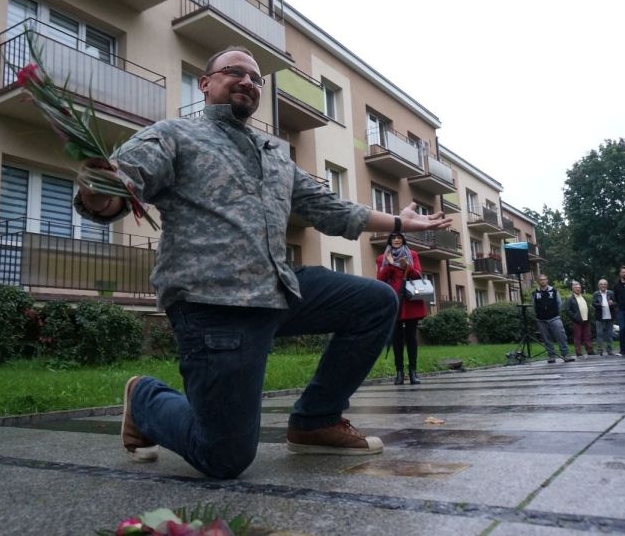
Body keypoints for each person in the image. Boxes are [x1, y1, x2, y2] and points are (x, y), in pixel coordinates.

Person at [74, 46, 453, 479]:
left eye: (256, 79)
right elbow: (120, 186)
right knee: (225, 458)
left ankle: (316, 421)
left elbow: (328, 208)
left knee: (375, 300)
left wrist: (399, 222)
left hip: (279, 289)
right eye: (234, 72)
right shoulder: (173, 135)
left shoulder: (274, 154)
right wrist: (100, 194)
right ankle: (145, 400)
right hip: (214, 306)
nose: (247, 82)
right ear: (206, 83)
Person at [377, 233, 426, 385]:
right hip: (394, 300)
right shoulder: (382, 258)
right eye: (393, 238)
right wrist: (390, 264)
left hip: (410, 299)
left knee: (411, 337)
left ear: (403, 240)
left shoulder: (412, 254)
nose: (396, 240)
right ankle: (399, 373)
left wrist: (407, 267)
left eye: (399, 237)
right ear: (390, 241)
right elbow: (380, 279)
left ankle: (413, 372)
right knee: (396, 338)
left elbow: (418, 275)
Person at [532, 274, 575, 363]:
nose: (543, 281)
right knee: (546, 339)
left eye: (544, 279)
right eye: (541, 280)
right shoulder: (535, 293)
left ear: (547, 280)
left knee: (561, 336)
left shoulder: (555, 291)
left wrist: (555, 313)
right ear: (538, 281)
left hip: (554, 318)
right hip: (541, 319)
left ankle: (565, 354)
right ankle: (551, 355)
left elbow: (559, 304)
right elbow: (534, 305)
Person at [564, 280, 595, 358]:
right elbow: (567, 310)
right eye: (576, 287)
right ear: (573, 288)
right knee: (577, 337)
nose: (578, 289)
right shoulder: (570, 298)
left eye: (579, 287)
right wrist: (574, 317)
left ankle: (590, 350)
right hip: (577, 320)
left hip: (586, 319)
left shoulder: (583, 297)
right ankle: (578, 352)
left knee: (587, 335)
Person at [592, 279, 619, 356]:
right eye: (601, 284)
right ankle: (600, 350)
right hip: (600, 317)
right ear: (599, 286)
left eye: (604, 284)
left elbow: (616, 303)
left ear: (606, 285)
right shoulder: (596, 294)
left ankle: (609, 350)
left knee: (610, 334)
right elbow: (593, 304)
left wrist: (612, 303)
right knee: (599, 334)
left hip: (610, 316)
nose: (603, 286)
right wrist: (600, 305)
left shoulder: (611, 293)